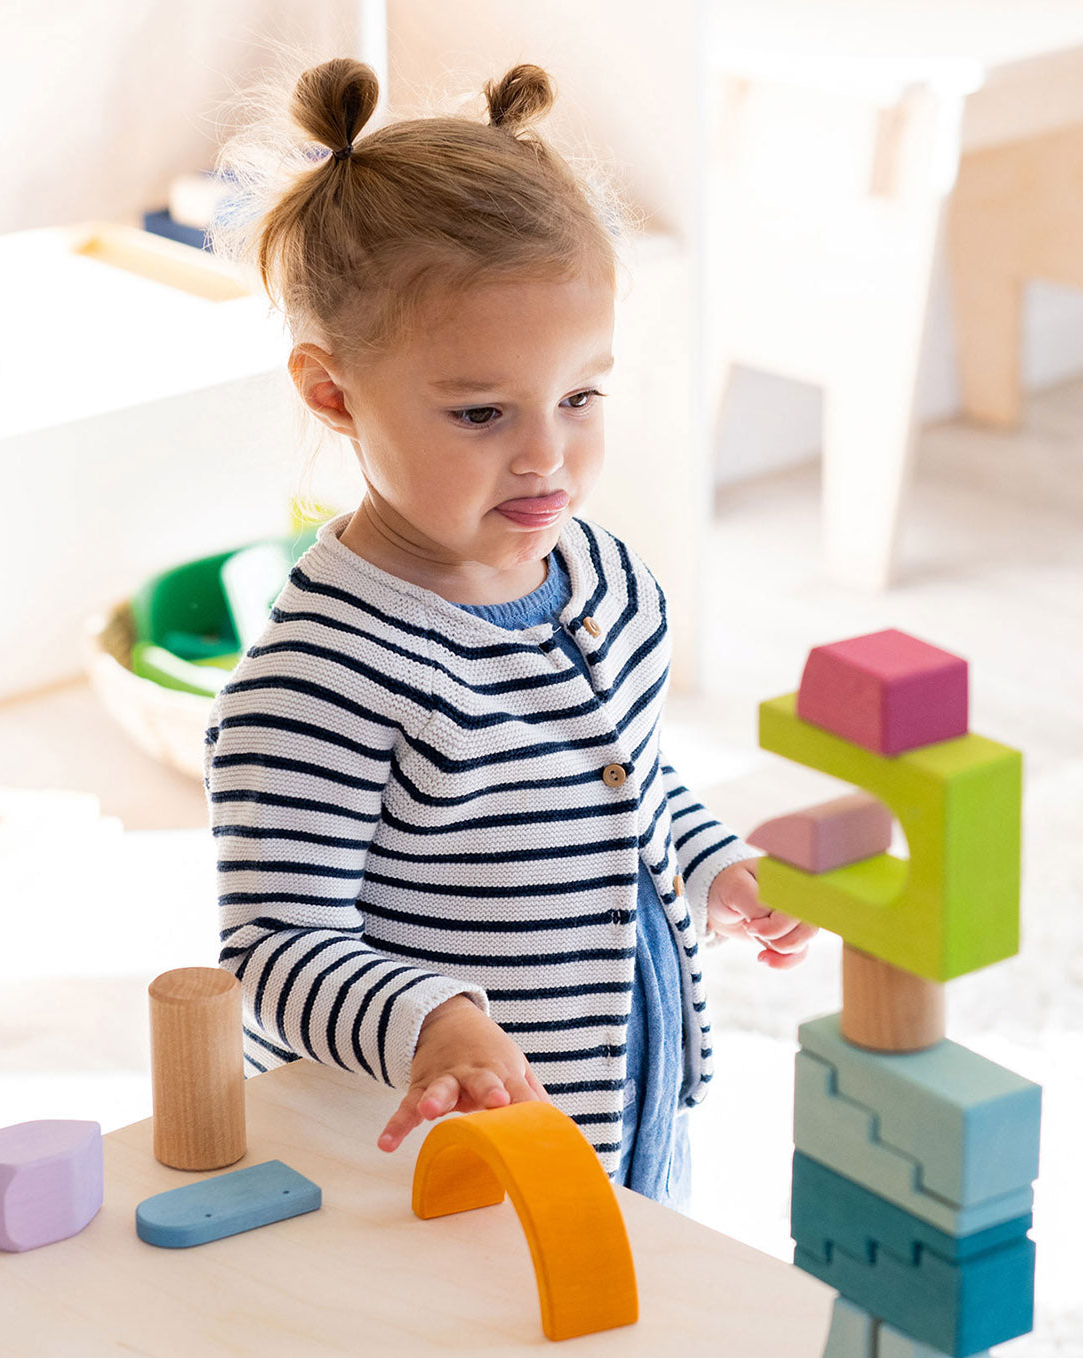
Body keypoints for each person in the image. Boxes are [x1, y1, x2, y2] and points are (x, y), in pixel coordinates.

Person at [205, 57, 815, 1210]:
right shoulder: (320, 678)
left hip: (621, 1095)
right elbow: (273, 949)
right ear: (332, 393)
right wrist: (431, 1018)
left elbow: (624, 777)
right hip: (431, 1154)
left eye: (580, 397)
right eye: (482, 413)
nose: (546, 458)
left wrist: (711, 864)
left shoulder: (607, 579)